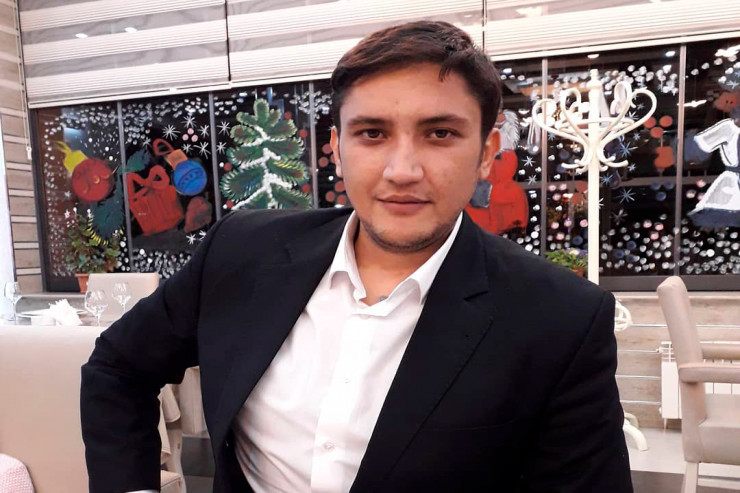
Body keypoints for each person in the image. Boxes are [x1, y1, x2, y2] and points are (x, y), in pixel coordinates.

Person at [81, 21, 632, 493]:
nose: (402, 170)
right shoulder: (243, 252)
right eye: (372, 133)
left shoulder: (559, 318)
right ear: (338, 148)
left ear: (486, 153)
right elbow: (118, 367)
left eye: (440, 133)